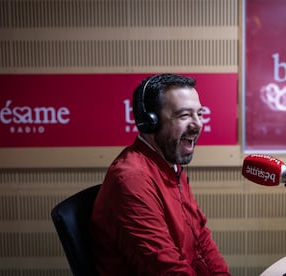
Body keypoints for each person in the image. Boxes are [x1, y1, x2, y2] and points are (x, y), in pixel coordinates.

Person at [90, 73, 231, 275]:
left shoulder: (171, 164)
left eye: (199, 114)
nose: (198, 124)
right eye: (184, 115)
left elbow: (201, 240)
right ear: (149, 122)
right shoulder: (131, 180)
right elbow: (166, 269)